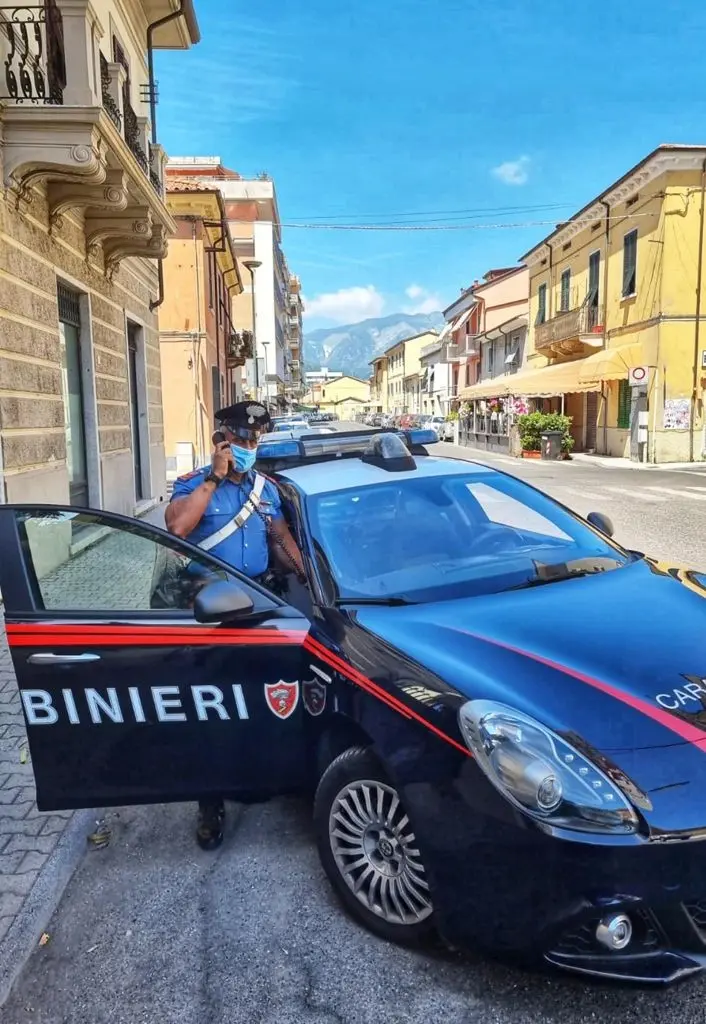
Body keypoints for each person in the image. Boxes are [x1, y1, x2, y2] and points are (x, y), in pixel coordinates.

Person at [165, 401, 305, 851]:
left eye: (253, 441)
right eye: (240, 440)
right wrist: (215, 478)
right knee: (213, 713)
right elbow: (178, 528)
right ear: (220, 440)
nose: (248, 448)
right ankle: (210, 803)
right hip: (210, 615)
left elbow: (282, 542)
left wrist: (309, 576)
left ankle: (252, 777)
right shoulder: (192, 485)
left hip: (259, 609)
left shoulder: (264, 489)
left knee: (259, 704)